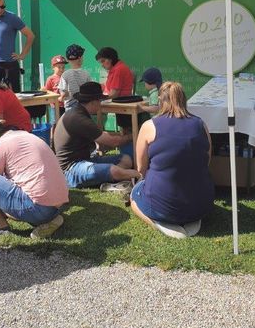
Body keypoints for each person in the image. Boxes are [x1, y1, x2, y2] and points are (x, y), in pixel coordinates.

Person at [130, 82, 214, 238]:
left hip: (163, 204)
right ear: (184, 100)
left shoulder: (149, 126)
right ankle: (189, 218)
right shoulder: (201, 124)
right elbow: (207, 160)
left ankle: (158, 223)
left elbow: (141, 168)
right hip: (202, 203)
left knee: (134, 194)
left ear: (161, 100)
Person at [0, 118, 69, 238]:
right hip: (60, 205)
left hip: (38, 209)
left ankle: (1, 226)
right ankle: (49, 220)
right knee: (14, 205)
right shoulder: (26, 135)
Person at [53, 82, 139, 191]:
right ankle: (139, 176)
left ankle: (108, 181)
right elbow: (113, 142)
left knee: (126, 160)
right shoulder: (79, 119)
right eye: (100, 100)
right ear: (93, 102)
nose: (100, 104)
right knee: (113, 170)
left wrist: (120, 137)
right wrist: (132, 136)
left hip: (84, 160)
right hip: (70, 169)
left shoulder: (78, 112)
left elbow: (103, 138)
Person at [58, 44, 92, 111]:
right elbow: (89, 90)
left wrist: (60, 97)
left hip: (70, 109)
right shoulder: (86, 74)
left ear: (67, 59)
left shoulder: (65, 74)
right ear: (80, 58)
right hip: (84, 108)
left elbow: (64, 93)